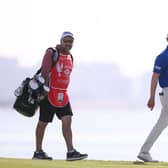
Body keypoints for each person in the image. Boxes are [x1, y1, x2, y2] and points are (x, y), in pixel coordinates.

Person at [32, 31, 88, 161]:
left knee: (67, 120)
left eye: (70, 41)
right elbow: (45, 70)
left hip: (62, 95)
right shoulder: (52, 52)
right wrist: (44, 89)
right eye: (66, 41)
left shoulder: (70, 57)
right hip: (48, 93)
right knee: (43, 123)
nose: (68, 44)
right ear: (61, 41)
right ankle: (38, 152)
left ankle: (71, 152)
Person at [137, 34, 168, 162]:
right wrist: (151, 97)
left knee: (161, 124)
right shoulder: (163, 56)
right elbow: (155, 77)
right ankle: (144, 152)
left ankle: (144, 152)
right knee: (161, 124)